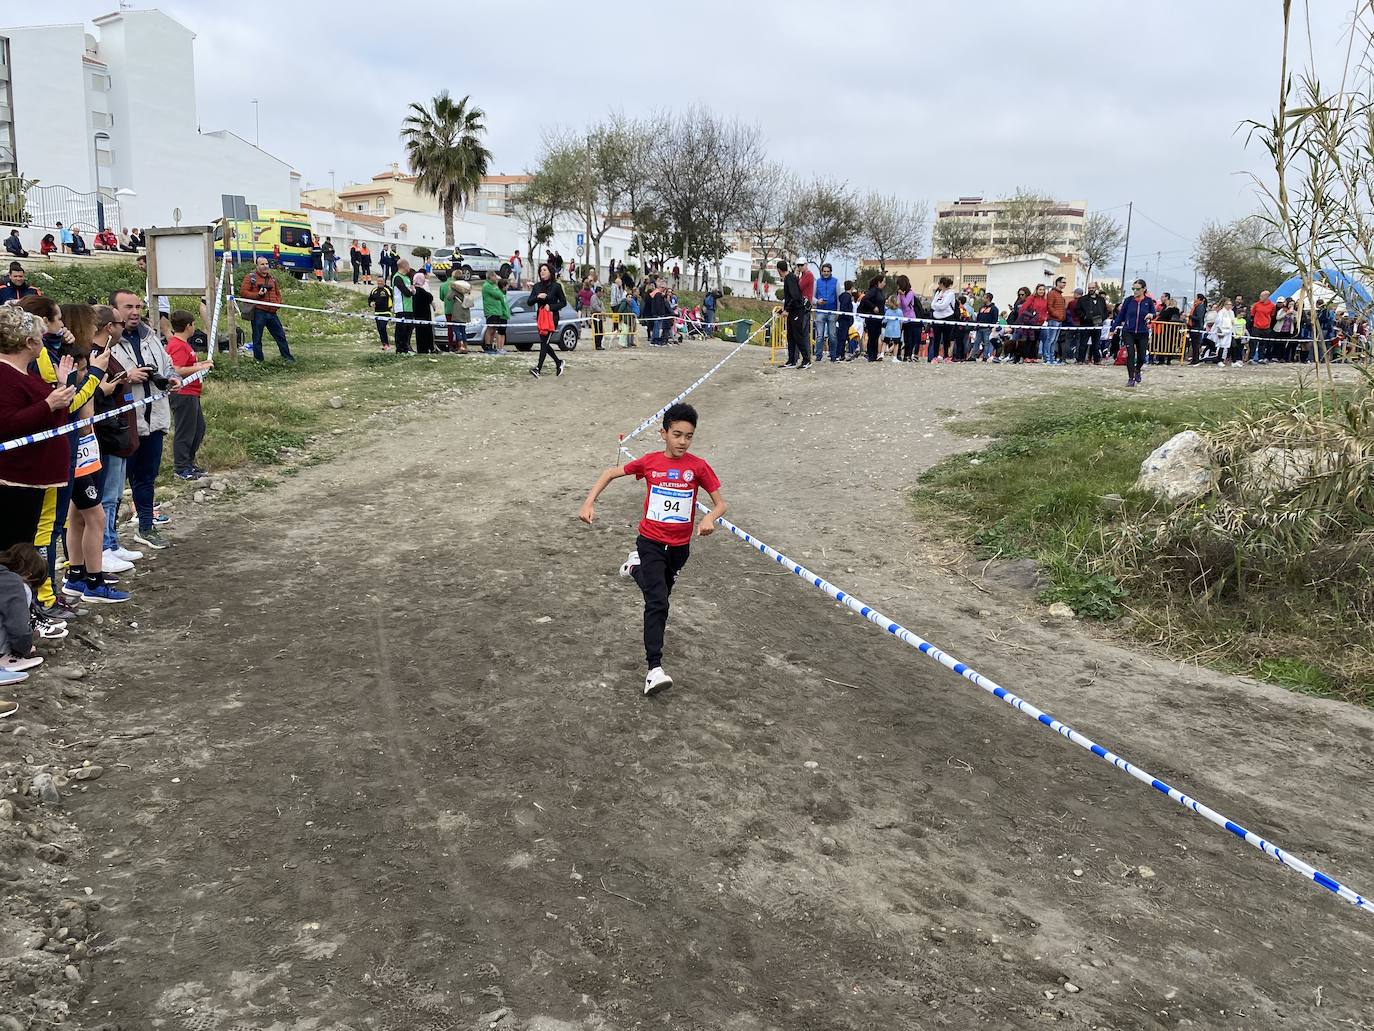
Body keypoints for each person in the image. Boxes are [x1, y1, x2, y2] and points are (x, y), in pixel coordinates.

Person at [578, 401, 727, 697]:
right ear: (663, 434)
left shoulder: (697, 467)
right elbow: (610, 472)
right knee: (658, 603)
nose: (683, 441)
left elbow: (721, 503)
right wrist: (588, 502)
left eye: (688, 436)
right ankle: (654, 669)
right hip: (650, 542)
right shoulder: (649, 462)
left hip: (680, 548)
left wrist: (710, 517)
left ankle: (634, 568)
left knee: (658, 596)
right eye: (677, 434)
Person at [56, 303, 129, 605]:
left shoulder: (78, 355)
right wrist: (96, 374)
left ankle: (77, 575)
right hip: (80, 443)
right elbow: (80, 404)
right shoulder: (76, 358)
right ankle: (93, 582)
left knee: (78, 515)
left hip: (83, 441)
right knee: (95, 517)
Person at [108, 288, 178, 549]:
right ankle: (109, 541)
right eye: (128, 307)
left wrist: (173, 378)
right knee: (113, 488)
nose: (135, 312)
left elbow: (167, 365)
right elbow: (95, 382)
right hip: (124, 424)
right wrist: (127, 377)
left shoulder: (151, 337)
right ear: (115, 310)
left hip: (155, 420)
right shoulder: (106, 343)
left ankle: (146, 527)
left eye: (138, 306)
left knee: (147, 477)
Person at [165, 310, 213, 480]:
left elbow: (187, 365)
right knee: (185, 431)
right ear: (188, 326)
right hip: (183, 393)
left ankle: (189, 464)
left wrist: (201, 364)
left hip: (192, 393)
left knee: (198, 429)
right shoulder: (177, 344)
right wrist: (199, 368)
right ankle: (181, 468)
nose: (195, 328)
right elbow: (177, 369)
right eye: (193, 324)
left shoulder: (183, 344)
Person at [0, 543, 47, 708]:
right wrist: (23, 648)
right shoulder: (12, 582)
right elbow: (17, 626)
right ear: (28, 573)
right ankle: (4, 657)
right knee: (23, 591)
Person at [238, 257, 295, 362]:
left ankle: (287, 358)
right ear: (257, 266)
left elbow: (278, 293)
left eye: (266, 264)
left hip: (272, 313)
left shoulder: (272, 279)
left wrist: (277, 304)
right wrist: (257, 295)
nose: (265, 266)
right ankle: (259, 361)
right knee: (257, 338)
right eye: (262, 264)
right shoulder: (250, 277)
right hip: (259, 312)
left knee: (281, 336)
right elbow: (243, 293)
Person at [1113, 279, 1157, 387]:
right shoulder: (1128, 300)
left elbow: (1154, 314)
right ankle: (1131, 378)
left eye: (1138, 289)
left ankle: (1137, 370)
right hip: (1128, 331)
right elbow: (1121, 315)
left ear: (1144, 289)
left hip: (1142, 332)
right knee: (1130, 354)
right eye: (1133, 289)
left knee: (1142, 357)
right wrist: (1113, 328)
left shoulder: (1148, 301)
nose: (1135, 291)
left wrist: (1151, 315)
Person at [527, 262, 567, 379]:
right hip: (541, 317)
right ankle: (559, 362)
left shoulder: (556, 286)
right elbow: (529, 302)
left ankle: (538, 369)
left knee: (544, 343)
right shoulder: (537, 286)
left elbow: (563, 302)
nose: (542, 272)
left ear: (550, 272)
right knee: (545, 343)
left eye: (544, 270)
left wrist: (552, 306)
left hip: (552, 317)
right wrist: (537, 297)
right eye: (540, 270)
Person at [779, 260, 810, 369]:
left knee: (798, 336)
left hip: (797, 311)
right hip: (792, 312)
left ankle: (806, 360)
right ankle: (791, 360)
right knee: (790, 336)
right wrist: (784, 308)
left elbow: (795, 296)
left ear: (779, 270)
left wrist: (787, 309)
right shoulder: (789, 278)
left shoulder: (790, 278)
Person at [1077, 282, 1109, 364]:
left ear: (1096, 288)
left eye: (1093, 287)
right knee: (1083, 343)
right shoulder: (1082, 299)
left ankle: (1096, 360)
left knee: (1096, 344)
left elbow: (1105, 311)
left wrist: (1102, 318)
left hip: (1098, 325)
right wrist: (1084, 317)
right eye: (1089, 288)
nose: (1091, 289)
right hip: (1085, 324)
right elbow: (1078, 311)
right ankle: (1080, 360)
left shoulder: (1101, 300)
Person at [857, 274, 885, 362]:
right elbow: (865, 299)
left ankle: (874, 354)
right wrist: (873, 307)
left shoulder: (880, 291)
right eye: (884, 282)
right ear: (879, 282)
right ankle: (870, 355)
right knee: (872, 336)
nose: (885, 284)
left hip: (878, 318)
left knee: (876, 336)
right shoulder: (873, 291)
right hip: (871, 318)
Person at [929, 276, 957, 363]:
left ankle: (946, 356)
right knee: (936, 338)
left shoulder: (951, 294)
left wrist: (937, 306)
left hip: (947, 317)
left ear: (942, 284)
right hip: (936, 318)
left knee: (946, 339)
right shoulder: (938, 293)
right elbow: (932, 304)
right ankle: (935, 356)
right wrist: (937, 306)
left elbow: (943, 305)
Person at [391, 259, 415, 355]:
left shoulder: (407, 278)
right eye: (408, 266)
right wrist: (411, 291)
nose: (409, 268)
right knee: (401, 329)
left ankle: (406, 348)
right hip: (401, 308)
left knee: (408, 329)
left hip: (409, 307)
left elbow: (412, 290)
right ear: (404, 266)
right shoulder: (397, 277)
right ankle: (400, 349)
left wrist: (412, 291)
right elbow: (406, 292)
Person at [481, 270, 509, 354]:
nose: (496, 278)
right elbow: (499, 295)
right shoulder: (487, 286)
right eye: (495, 276)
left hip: (497, 311)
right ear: (490, 277)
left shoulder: (493, 286)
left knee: (494, 330)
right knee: (490, 329)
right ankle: (487, 346)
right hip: (491, 311)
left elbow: (500, 294)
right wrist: (498, 292)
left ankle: (491, 345)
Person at [1042, 276, 1067, 364]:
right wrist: (1058, 315)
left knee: (1054, 340)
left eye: (1065, 282)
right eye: (1063, 282)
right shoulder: (1052, 293)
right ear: (1058, 283)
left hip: (1059, 320)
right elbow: (1050, 307)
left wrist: (1061, 317)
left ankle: (1052, 358)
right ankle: (1047, 358)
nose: (1065, 284)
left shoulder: (1059, 294)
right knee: (1050, 339)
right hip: (1054, 320)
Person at [444, 278, 472, 354]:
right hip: (465, 310)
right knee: (463, 330)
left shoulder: (454, 289)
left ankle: (461, 347)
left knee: (456, 330)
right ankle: (465, 347)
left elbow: (448, 297)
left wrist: (451, 289)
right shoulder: (466, 289)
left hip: (457, 310)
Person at [1249, 289, 1276, 364]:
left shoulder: (1272, 306)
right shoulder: (1256, 305)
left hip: (1266, 327)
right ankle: (1251, 358)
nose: (1260, 297)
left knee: (1263, 344)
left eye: (1262, 296)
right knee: (1253, 343)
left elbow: (1272, 315)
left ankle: (1261, 358)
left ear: (1267, 296)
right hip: (1256, 327)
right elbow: (1252, 315)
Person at [368, 275, 393, 350]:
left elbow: (393, 296)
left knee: (382, 327)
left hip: (386, 312)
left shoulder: (387, 290)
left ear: (384, 282)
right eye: (378, 281)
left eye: (381, 281)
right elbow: (370, 299)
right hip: (377, 313)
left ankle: (386, 344)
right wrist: (371, 303)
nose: (379, 282)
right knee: (380, 329)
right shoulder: (374, 290)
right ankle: (385, 344)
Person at [974, 294, 999, 361]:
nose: (983, 299)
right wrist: (977, 325)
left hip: (987, 329)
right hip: (979, 328)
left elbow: (995, 319)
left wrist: (991, 327)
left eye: (984, 298)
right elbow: (978, 317)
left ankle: (985, 356)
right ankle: (974, 356)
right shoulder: (981, 308)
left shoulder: (994, 308)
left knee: (986, 343)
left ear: (988, 298)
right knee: (976, 342)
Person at [882, 294, 902, 361]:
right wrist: (900, 328)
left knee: (885, 342)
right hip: (896, 329)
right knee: (896, 344)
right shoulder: (900, 311)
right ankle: (894, 357)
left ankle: (882, 354)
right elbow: (901, 321)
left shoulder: (888, 311)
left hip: (888, 328)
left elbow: (884, 320)